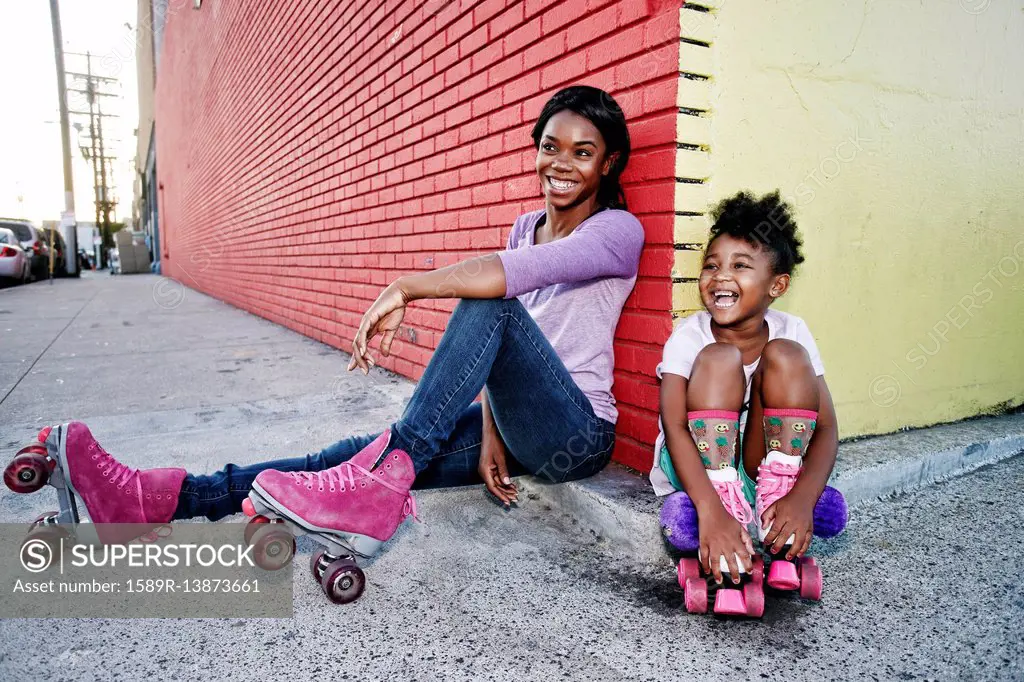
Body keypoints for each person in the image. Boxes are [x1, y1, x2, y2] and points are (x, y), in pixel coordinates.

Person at [16, 86, 645, 554]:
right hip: (511, 426)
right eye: (549, 147)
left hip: (576, 435)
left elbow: (506, 290)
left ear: (608, 165)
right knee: (347, 456)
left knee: (487, 301)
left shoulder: (617, 232)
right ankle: (153, 500)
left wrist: (406, 287)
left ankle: (383, 484)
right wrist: (490, 435)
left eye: (582, 152)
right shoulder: (524, 228)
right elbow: (505, 356)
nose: (561, 163)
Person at [653, 191, 847, 590]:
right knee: (720, 357)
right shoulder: (688, 338)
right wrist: (710, 511)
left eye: (740, 266)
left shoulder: (793, 331)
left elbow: (827, 428)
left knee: (788, 355)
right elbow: (673, 428)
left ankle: (777, 503)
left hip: (763, 464)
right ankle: (724, 513)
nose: (720, 276)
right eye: (712, 266)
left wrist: (803, 498)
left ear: (777, 284)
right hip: (696, 459)